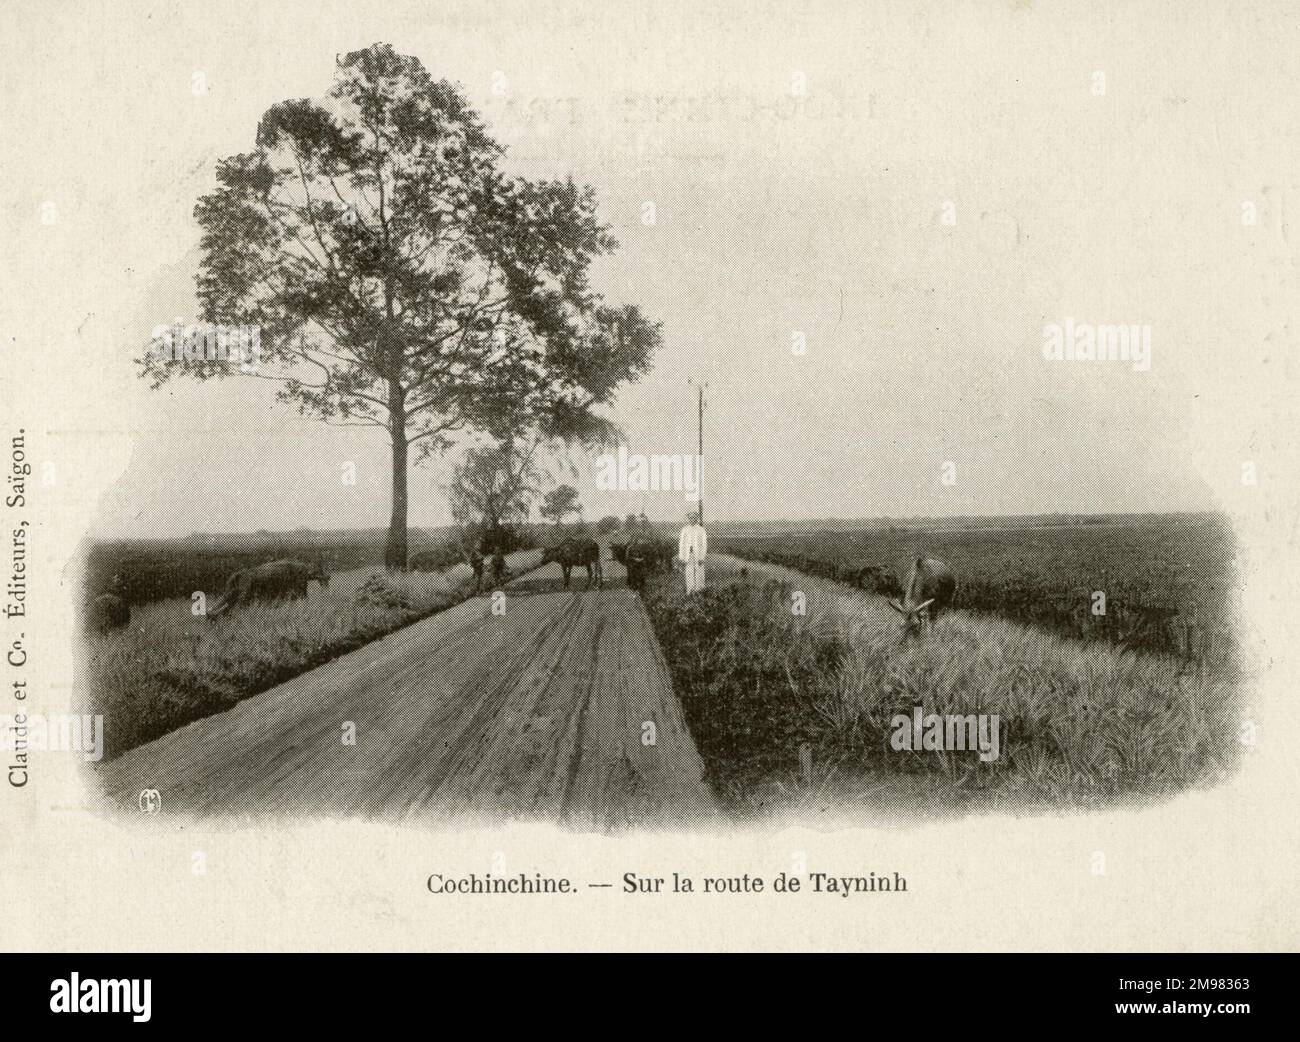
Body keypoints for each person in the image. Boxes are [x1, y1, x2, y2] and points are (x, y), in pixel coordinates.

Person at [677, 511, 707, 594]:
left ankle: (699, 590)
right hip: (688, 554)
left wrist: (702, 557)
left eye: (694, 518)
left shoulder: (701, 530)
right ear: (688, 519)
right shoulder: (685, 530)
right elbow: (681, 544)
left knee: (699, 571)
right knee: (689, 572)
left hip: (698, 554)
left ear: (697, 519)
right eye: (690, 518)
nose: (692, 519)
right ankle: (690, 591)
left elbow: (704, 545)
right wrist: (682, 557)